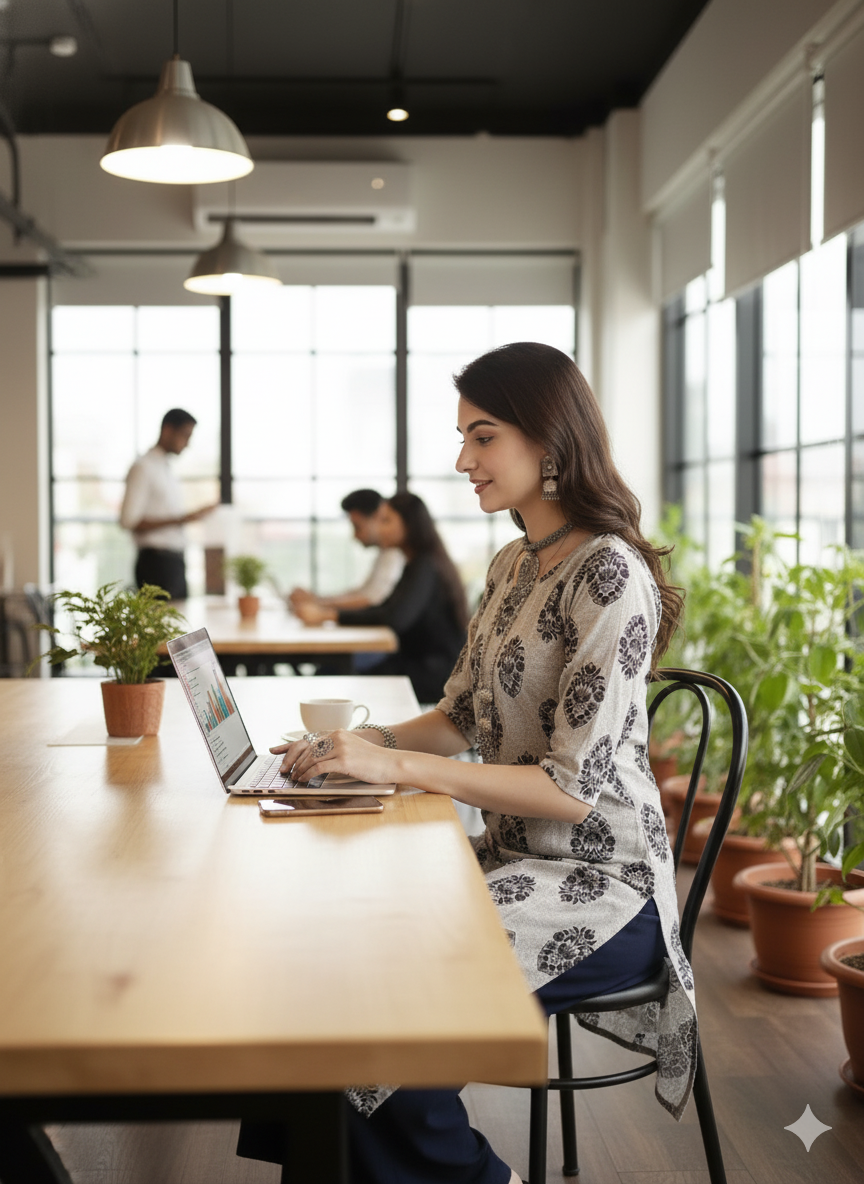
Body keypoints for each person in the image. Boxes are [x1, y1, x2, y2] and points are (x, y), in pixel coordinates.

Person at [239, 342, 690, 1184]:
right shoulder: (513, 562)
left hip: (607, 893)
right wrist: (360, 749)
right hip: (510, 861)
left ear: (550, 443)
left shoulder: (609, 576)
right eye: (463, 438)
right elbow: (459, 718)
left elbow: (571, 792)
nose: (462, 461)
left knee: (386, 1050)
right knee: (326, 971)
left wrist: (399, 772)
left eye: (482, 438)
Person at [292, 491, 468, 704]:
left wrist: (330, 615)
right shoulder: (416, 563)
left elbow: (394, 618)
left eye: (386, 520)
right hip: (416, 663)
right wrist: (331, 614)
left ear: (409, 524)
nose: (380, 527)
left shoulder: (425, 566)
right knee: (332, 672)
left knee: (335, 676)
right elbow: (385, 607)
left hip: (431, 672)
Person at [119, 409, 219, 600]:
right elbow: (128, 521)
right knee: (163, 628)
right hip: (155, 566)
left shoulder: (166, 469)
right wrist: (185, 519)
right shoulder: (143, 467)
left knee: (182, 626)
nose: (188, 444)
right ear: (167, 430)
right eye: (185, 436)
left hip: (175, 564)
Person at [288, 488, 405, 614]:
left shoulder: (395, 553)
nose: (354, 536)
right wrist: (316, 599)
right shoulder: (385, 553)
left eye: (357, 527)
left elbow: (371, 599)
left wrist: (319, 605)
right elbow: (362, 592)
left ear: (376, 518)